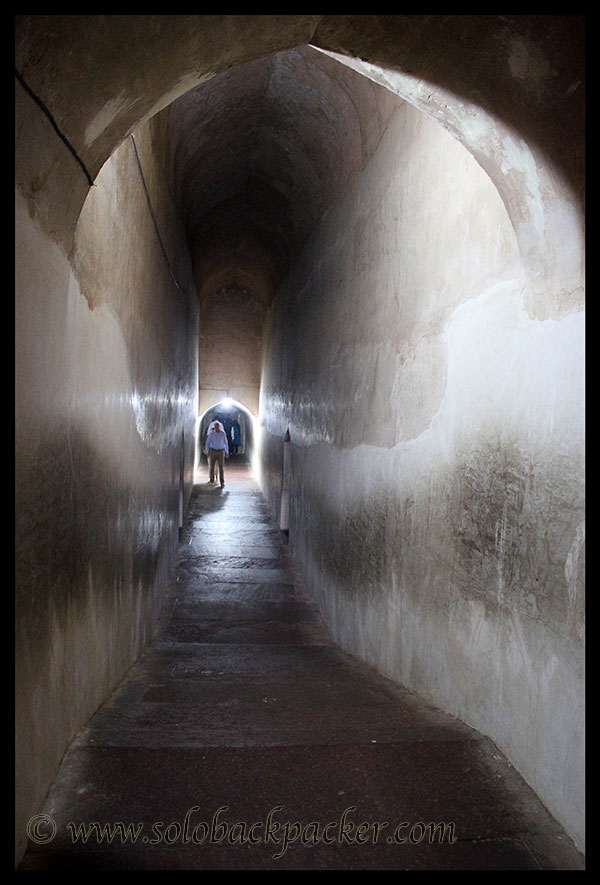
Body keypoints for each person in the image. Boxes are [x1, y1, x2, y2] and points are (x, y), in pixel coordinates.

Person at [204, 420, 229, 487]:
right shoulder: (211, 434)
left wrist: (227, 451)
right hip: (213, 451)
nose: (217, 428)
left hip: (221, 451)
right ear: (214, 427)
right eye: (215, 427)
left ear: (219, 427)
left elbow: (225, 442)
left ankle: (222, 482)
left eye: (218, 427)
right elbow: (208, 443)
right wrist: (207, 451)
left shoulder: (222, 434)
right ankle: (212, 480)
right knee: (212, 467)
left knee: (221, 467)